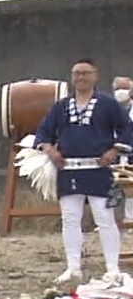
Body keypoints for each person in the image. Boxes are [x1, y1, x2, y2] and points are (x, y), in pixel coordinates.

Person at [35, 58, 133, 284]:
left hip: (99, 169)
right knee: (70, 219)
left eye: (85, 73)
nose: (81, 77)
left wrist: (114, 151)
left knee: (104, 218)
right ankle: (73, 268)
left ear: (95, 76)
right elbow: (44, 132)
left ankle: (112, 268)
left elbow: (127, 129)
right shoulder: (61, 106)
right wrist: (50, 150)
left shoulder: (108, 104)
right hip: (68, 170)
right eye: (77, 73)